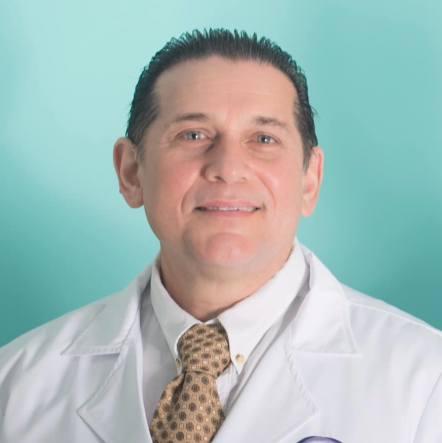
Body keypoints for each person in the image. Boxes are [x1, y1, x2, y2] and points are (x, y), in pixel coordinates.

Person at [0, 29, 440, 443]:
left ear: (310, 179)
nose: (228, 168)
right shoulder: (16, 383)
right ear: (131, 171)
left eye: (263, 138)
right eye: (193, 135)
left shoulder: (425, 378)